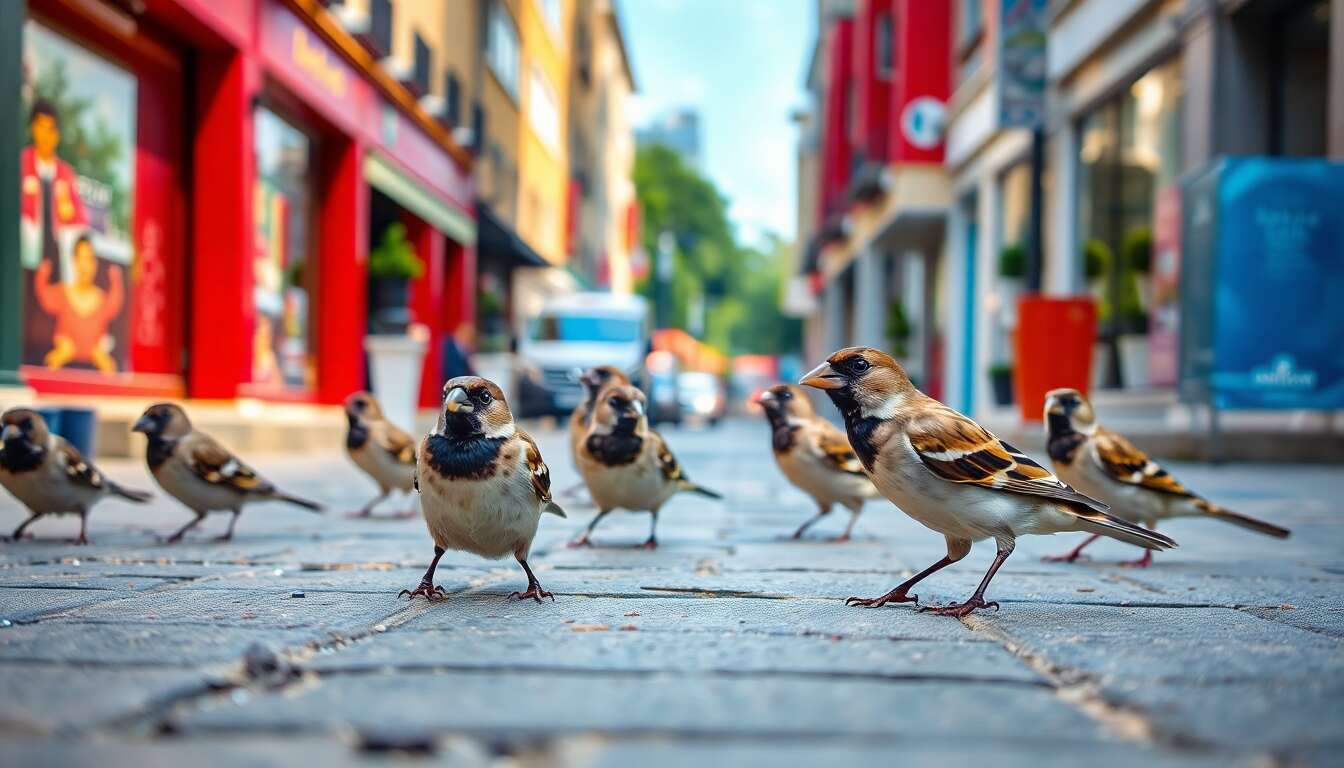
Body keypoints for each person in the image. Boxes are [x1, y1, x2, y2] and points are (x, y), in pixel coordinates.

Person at [20, 99, 90, 366]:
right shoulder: (22, 163)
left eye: (51, 129)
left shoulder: (64, 173)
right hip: (28, 257)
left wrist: (67, 212)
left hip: (57, 254)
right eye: (40, 127)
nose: (45, 135)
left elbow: (79, 221)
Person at [34, 235, 123, 373]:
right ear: (74, 261)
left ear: (95, 263)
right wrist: (42, 273)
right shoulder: (62, 293)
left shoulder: (102, 299)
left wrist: (116, 280)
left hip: (95, 374)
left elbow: (115, 300)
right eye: (80, 259)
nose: (84, 266)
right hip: (64, 367)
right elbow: (44, 293)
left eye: (88, 259)